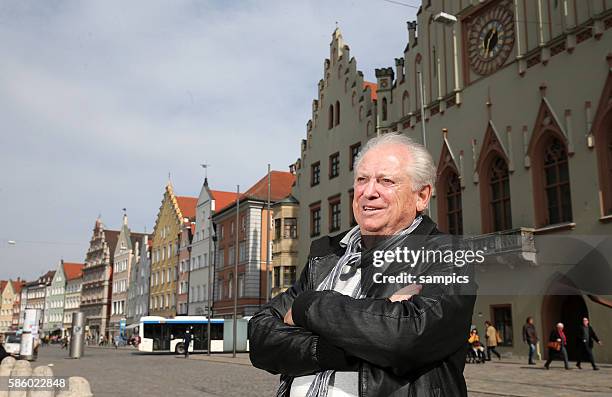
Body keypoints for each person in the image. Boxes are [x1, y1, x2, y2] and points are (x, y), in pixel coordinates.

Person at [248, 134, 476, 397]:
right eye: (362, 180)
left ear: (421, 196)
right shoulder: (326, 256)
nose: (369, 192)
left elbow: (408, 335)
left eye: (386, 181)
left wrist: (307, 307)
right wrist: (331, 348)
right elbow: (260, 335)